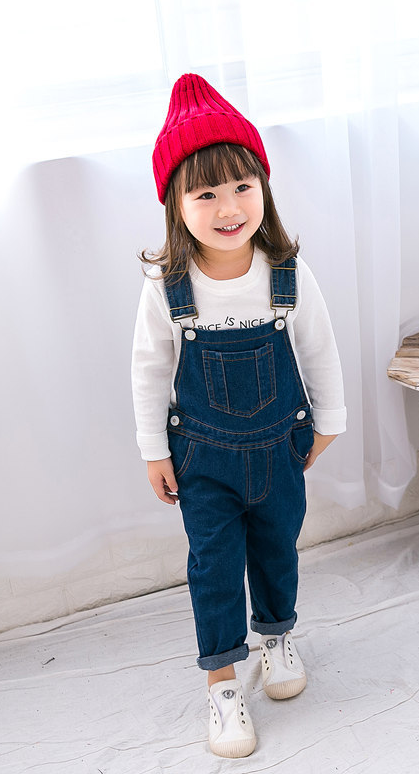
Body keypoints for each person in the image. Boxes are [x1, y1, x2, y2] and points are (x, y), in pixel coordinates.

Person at [131, 73, 346, 758]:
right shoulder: (168, 287)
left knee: (278, 549)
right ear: (175, 204)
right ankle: (223, 683)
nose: (228, 207)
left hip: (280, 447)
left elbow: (319, 348)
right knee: (214, 566)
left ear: (264, 187)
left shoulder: (287, 272)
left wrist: (328, 422)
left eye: (242, 186)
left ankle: (277, 638)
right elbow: (148, 370)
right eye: (206, 194)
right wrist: (153, 449)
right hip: (202, 461)